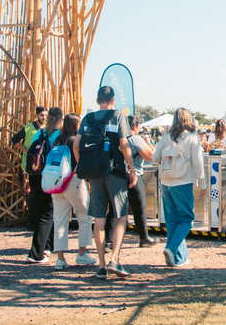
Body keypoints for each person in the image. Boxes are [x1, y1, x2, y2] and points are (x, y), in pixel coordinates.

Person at [75, 86, 137, 280]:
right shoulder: (118, 116)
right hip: (115, 171)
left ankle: (101, 266)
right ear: (113, 100)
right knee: (121, 216)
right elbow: (124, 144)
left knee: (99, 219)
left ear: (97, 100)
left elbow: (76, 145)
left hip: (94, 174)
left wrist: (84, 167)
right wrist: (132, 168)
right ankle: (115, 259)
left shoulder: (87, 119)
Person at [152, 107, 205, 267]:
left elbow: (155, 158)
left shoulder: (166, 137)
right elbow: (198, 163)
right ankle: (171, 248)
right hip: (182, 183)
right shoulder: (193, 137)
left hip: (166, 184)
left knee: (172, 221)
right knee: (187, 219)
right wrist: (202, 183)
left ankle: (178, 258)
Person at [51, 112, 97, 270]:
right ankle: (82, 253)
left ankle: (60, 258)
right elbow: (81, 161)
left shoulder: (57, 140)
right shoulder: (75, 141)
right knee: (85, 216)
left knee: (60, 221)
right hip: (73, 180)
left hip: (56, 183)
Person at [26, 107, 61, 263]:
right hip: (48, 176)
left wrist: (27, 177)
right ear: (60, 120)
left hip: (34, 175)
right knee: (47, 213)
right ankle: (36, 253)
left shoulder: (38, 134)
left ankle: (47, 246)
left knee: (43, 210)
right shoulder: (58, 136)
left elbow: (31, 155)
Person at [121, 114, 160, 247]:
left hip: (117, 175)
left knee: (116, 210)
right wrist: (148, 142)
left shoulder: (118, 138)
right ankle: (144, 238)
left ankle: (109, 241)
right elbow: (151, 157)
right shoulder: (135, 139)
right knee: (139, 209)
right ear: (135, 126)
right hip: (134, 175)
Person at [12, 106, 47, 226]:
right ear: (37, 115)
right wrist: (27, 151)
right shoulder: (28, 128)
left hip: (42, 165)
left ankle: (40, 220)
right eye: (42, 115)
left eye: (46, 115)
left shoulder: (48, 128)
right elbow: (15, 140)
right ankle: (32, 221)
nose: (44, 117)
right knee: (33, 194)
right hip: (30, 165)